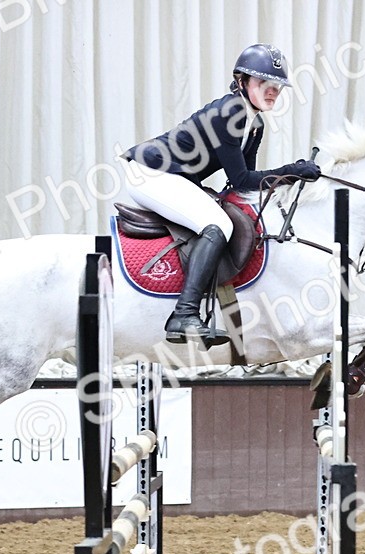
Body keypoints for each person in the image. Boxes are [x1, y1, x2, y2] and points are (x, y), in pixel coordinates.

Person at [122, 43, 321, 346]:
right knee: (217, 225)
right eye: (264, 83)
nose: (273, 92)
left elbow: (243, 187)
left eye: (278, 87)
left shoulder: (254, 126)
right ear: (242, 81)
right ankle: (184, 315)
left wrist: (289, 177)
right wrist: (292, 171)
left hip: (174, 176)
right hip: (149, 172)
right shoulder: (231, 113)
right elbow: (241, 178)